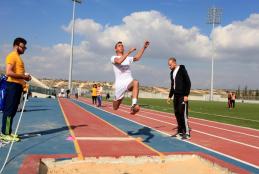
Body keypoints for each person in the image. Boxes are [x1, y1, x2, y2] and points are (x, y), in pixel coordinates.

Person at [0, 37, 31, 142]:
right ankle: (4, 133)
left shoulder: (18, 57)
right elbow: (8, 72)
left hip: (17, 86)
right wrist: (23, 77)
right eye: (23, 47)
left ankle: (8, 131)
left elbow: (18, 74)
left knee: (12, 111)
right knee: (9, 110)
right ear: (17, 46)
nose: (24, 49)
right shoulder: (12, 56)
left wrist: (25, 79)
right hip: (12, 86)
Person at [111, 41, 150, 114]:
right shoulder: (113, 58)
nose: (121, 47)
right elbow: (119, 61)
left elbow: (137, 58)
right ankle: (118, 98)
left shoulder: (127, 58)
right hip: (120, 85)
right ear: (115, 49)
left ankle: (133, 105)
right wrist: (129, 52)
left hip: (129, 81)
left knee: (136, 82)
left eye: (122, 45)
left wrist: (144, 47)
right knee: (115, 108)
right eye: (119, 46)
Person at [167, 57, 191, 140]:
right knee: (177, 113)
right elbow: (172, 86)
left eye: (170, 65)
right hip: (176, 96)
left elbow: (188, 82)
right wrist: (170, 96)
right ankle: (180, 132)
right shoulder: (171, 73)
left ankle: (187, 133)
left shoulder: (182, 70)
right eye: (168, 65)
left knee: (182, 114)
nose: (169, 67)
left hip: (182, 95)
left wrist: (186, 95)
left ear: (174, 63)